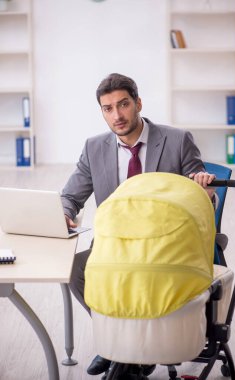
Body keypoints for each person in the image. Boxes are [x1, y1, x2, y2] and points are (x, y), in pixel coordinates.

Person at [61, 73, 216, 376]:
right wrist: (64, 213)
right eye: (108, 109)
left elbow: (202, 200)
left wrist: (204, 188)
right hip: (114, 247)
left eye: (123, 104)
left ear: (138, 103)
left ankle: (129, 351)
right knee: (74, 270)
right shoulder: (94, 148)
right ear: (102, 112)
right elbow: (70, 196)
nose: (117, 115)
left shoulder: (177, 139)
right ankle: (120, 341)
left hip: (164, 246)